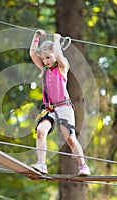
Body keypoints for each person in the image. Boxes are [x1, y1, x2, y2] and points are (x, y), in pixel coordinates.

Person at [29, 29, 90, 176]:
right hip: (50, 108)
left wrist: (56, 41)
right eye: (43, 59)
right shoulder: (45, 69)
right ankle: (41, 164)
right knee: (40, 132)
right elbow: (32, 54)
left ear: (54, 56)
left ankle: (83, 165)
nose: (45, 61)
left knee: (70, 138)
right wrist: (36, 37)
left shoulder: (62, 67)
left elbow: (58, 55)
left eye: (48, 58)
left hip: (64, 106)